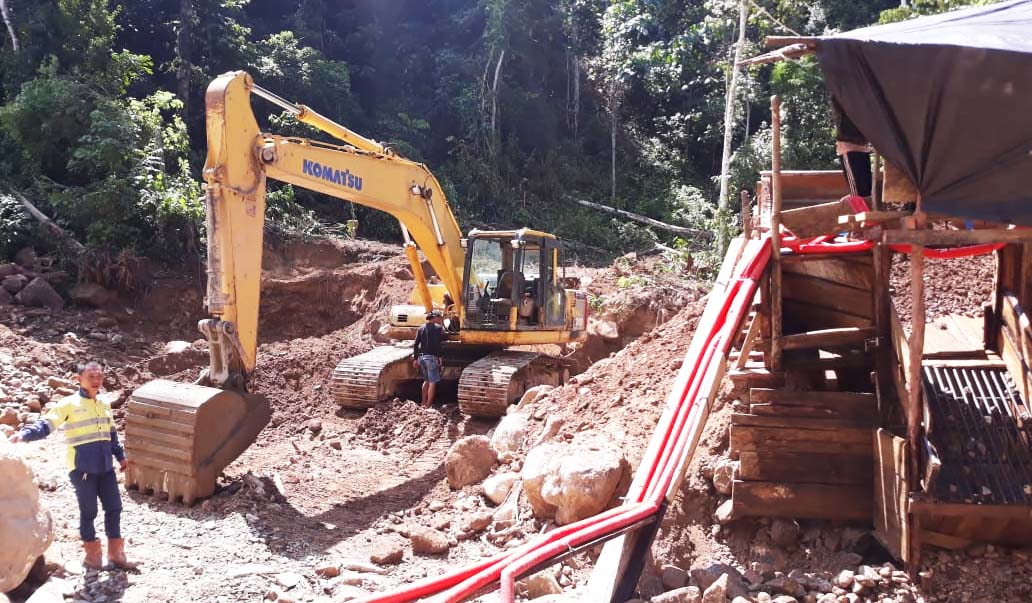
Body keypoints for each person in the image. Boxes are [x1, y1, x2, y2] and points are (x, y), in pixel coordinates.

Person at [8, 361, 136, 570]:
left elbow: (111, 434)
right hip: (82, 468)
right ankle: (93, 557)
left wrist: (120, 456)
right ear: (78, 379)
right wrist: (24, 434)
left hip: (105, 467)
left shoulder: (104, 403)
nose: (96, 380)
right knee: (89, 510)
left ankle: (116, 555)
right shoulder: (68, 404)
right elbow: (47, 424)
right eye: (91, 376)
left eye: (99, 376)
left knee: (114, 507)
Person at [831, 96, 872, 199]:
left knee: (863, 193)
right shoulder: (844, 95)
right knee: (860, 194)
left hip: (859, 145)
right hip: (851, 146)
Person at [413, 310, 444, 408]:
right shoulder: (437, 328)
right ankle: (428, 405)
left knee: (426, 380)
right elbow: (437, 344)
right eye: (438, 318)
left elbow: (416, 344)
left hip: (421, 358)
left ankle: (423, 402)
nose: (439, 319)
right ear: (435, 318)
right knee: (432, 382)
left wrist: (415, 358)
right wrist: (440, 357)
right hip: (431, 358)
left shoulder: (421, 328)